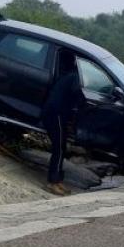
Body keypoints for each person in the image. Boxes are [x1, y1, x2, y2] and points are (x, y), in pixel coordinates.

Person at [42, 52, 83, 196]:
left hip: (57, 112)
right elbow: (77, 93)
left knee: (61, 147)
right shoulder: (75, 78)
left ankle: (58, 180)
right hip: (55, 113)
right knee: (58, 148)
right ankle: (52, 182)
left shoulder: (69, 75)